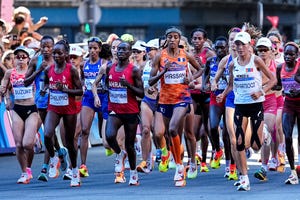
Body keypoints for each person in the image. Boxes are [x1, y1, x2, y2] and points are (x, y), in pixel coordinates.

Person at [221, 31, 276, 191]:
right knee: (239, 142)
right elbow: (231, 85)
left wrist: (261, 91)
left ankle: (264, 134)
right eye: (237, 44)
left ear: (249, 46)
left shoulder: (256, 60)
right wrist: (223, 95)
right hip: (240, 105)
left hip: (256, 105)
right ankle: (244, 178)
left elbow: (273, 79)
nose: (239, 47)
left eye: (242, 44)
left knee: (256, 145)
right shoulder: (232, 64)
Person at [149, 27, 202, 187]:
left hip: (183, 98)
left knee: (173, 129)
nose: (172, 40)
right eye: (170, 37)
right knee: (170, 135)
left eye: (175, 37)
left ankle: (182, 166)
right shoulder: (160, 56)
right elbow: (151, 81)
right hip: (165, 100)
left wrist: (190, 79)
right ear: (166, 39)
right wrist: (162, 72)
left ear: (179, 39)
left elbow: (200, 69)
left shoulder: (185, 54)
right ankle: (179, 163)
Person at [24, 35, 68, 182]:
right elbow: (25, 82)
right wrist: (38, 71)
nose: (46, 49)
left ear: (54, 47)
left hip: (55, 102)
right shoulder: (36, 61)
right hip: (40, 102)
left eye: (49, 46)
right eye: (43, 46)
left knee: (48, 133)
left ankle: (48, 164)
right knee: (49, 135)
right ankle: (60, 153)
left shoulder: (59, 61)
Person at [42, 39, 83, 187]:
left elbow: (80, 91)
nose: (56, 55)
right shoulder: (49, 69)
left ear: (66, 54)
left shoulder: (71, 69)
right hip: (53, 107)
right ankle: (54, 157)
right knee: (47, 134)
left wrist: (65, 90)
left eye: (59, 53)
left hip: (69, 109)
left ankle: (74, 170)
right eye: (55, 53)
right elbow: (46, 82)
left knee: (70, 142)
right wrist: (44, 88)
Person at [105, 41, 144, 185]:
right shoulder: (110, 67)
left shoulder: (134, 70)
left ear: (129, 53)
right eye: (118, 49)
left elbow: (142, 93)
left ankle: (133, 173)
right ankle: (119, 154)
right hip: (115, 109)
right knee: (109, 136)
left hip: (130, 111)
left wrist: (128, 85)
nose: (120, 51)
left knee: (129, 145)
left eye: (124, 49)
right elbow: (107, 84)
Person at [0, 46, 39, 184]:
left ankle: (29, 167)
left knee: (28, 144)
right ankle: (24, 172)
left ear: (28, 59)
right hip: (17, 109)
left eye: (23, 57)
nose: (20, 59)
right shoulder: (10, 73)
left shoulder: (33, 72)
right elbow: (4, 86)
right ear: (14, 59)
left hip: (32, 109)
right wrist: (4, 93)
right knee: (18, 144)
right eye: (18, 57)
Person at [211, 27, 241, 181]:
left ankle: (240, 157)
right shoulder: (226, 60)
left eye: (237, 40)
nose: (234, 44)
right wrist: (215, 85)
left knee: (241, 138)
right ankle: (232, 166)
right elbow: (215, 78)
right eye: (231, 40)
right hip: (230, 99)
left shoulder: (250, 58)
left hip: (245, 100)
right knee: (230, 135)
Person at [79, 37, 109, 177]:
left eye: (95, 48)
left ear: (100, 49)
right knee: (84, 130)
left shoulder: (104, 64)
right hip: (89, 99)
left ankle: (119, 157)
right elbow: (81, 80)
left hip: (103, 98)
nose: (92, 51)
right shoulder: (83, 64)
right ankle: (83, 165)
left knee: (108, 137)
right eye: (90, 48)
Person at [275, 42, 300, 184]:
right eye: (286, 54)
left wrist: (298, 90)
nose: (288, 56)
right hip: (289, 105)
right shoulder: (280, 68)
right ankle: (292, 173)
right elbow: (278, 84)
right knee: (288, 136)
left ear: (297, 56)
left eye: (291, 54)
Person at [253, 37, 277, 181]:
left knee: (266, 130)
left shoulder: (276, 65)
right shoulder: (252, 64)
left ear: (270, 51)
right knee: (257, 142)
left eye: (265, 50)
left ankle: (264, 167)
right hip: (255, 103)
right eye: (260, 50)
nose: (262, 52)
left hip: (270, 101)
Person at [136, 38, 160, 173]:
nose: (148, 52)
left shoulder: (163, 64)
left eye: (150, 49)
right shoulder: (144, 65)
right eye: (147, 49)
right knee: (145, 130)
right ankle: (146, 162)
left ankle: (165, 153)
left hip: (160, 101)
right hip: (147, 100)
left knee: (158, 133)